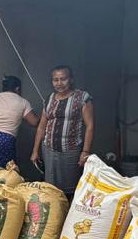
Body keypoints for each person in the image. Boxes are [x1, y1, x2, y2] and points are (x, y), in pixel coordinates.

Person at [30, 66, 94, 196]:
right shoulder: (49, 99)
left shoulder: (82, 97)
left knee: (70, 186)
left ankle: (68, 208)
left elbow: (90, 126)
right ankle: (54, 207)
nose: (59, 83)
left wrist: (85, 151)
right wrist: (35, 151)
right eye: (56, 80)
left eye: (63, 79)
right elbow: (41, 127)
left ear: (71, 79)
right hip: (48, 149)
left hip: (71, 150)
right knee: (50, 185)